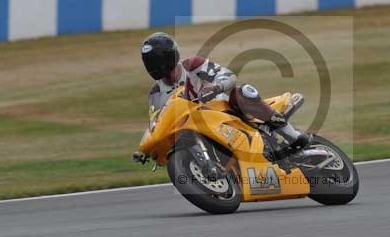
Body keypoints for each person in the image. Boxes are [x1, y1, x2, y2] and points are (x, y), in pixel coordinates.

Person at [133, 32, 311, 163]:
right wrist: (145, 149)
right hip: (194, 125)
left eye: (155, 61)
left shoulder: (192, 65)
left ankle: (293, 135)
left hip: (225, 111)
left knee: (242, 92)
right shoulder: (156, 93)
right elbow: (156, 123)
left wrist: (216, 86)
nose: (154, 66)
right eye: (150, 62)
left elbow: (228, 75)